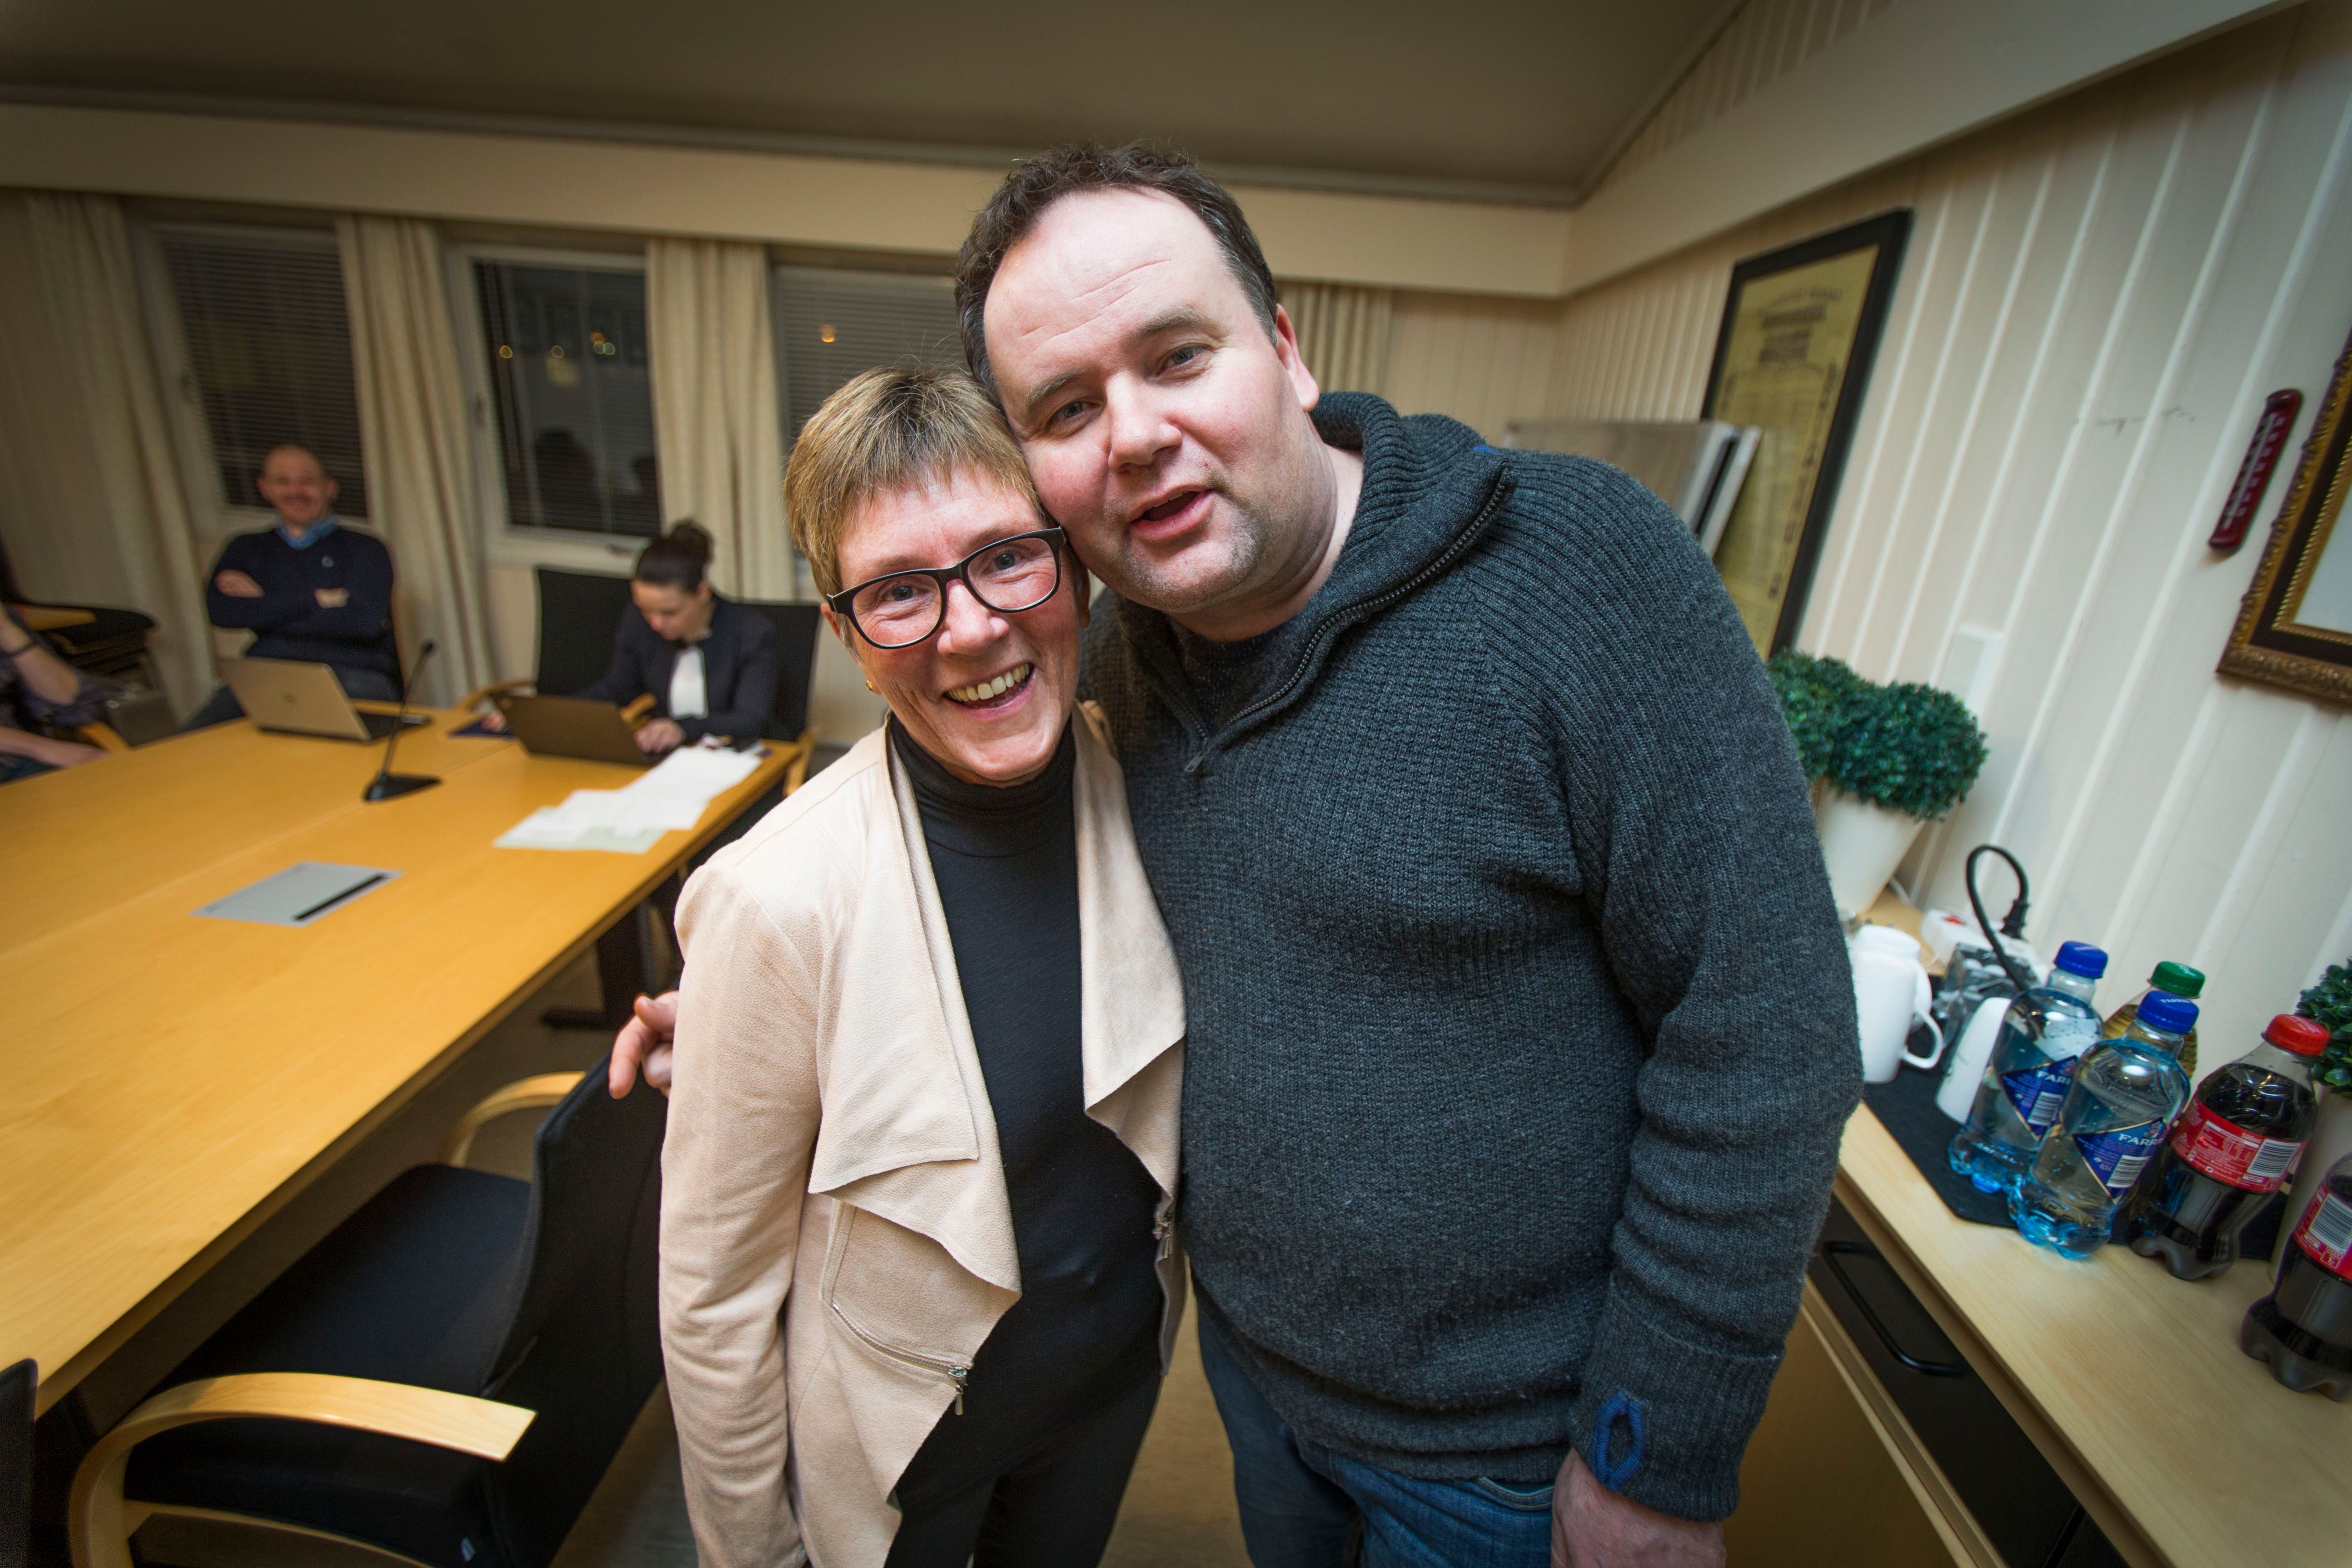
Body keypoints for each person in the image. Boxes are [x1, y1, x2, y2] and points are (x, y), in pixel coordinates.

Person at [623, 143, 1860, 1568]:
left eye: (1178, 356)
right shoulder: (1120, 668)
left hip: (1520, 1462)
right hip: (1254, 1396)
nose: (1135, 434)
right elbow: (992, 914)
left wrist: (1657, 1455)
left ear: (1283, 347)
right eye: (1067, 406)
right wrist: (768, 1022)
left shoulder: (1577, 571)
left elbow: (1765, 1026)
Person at [658, 366, 1186, 1568]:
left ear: (1075, 571)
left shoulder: (1155, 788)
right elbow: (712, 1300)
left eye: (1007, 558)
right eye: (899, 591)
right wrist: (754, 1558)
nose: (973, 628)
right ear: (846, 636)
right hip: (904, 1458)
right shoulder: (775, 898)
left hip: (1109, 1396)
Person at [184, 444, 398, 730]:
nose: (295, 491)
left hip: (351, 673)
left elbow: (363, 624)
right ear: (265, 488)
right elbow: (222, 613)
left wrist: (264, 601)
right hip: (267, 673)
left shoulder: (365, 549)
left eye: (307, 482)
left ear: (329, 488)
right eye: (283, 482)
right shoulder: (245, 547)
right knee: (189, 742)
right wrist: (316, 599)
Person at [549, 521, 778, 755]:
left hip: (736, 755)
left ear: (702, 592)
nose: (656, 623)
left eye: (670, 613)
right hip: (667, 754)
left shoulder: (751, 632)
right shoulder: (639, 624)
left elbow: (750, 718)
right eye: (645, 610)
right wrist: (559, 713)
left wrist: (682, 728)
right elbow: (618, 689)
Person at [0, 607, 109, 782]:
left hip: (17, 761)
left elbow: (72, 704)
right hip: (25, 752)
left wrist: (7, 630)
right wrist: (42, 748)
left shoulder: (8, 618)